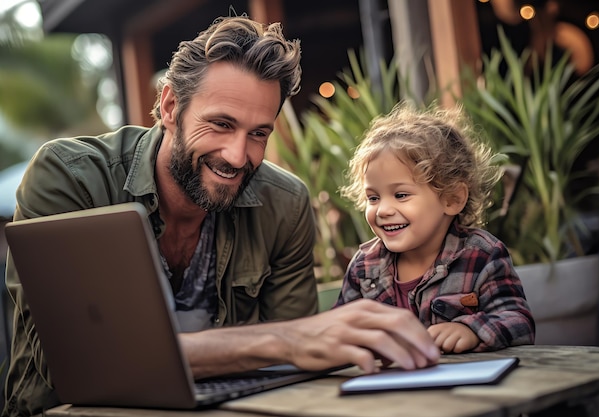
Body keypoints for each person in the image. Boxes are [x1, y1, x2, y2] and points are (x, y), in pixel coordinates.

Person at [2, 15, 440, 417]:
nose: (237, 155)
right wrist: (281, 341)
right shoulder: (70, 178)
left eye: (258, 134)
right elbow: (73, 362)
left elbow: (298, 365)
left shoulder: (284, 204)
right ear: (171, 107)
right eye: (221, 124)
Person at [335, 102, 535, 354]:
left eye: (401, 195)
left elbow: (520, 323)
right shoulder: (364, 266)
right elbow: (338, 329)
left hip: (464, 388)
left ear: (452, 199)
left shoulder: (482, 255)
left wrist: (471, 330)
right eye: (373, 198)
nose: (383, 209)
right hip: (388, 387)